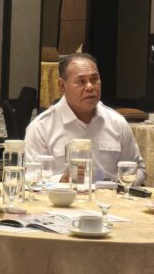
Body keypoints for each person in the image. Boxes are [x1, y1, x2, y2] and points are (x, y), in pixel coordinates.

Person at [24, 53, 146, 184]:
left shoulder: (117, 122)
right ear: (62, 86)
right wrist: (61, 180)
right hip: (61, 196)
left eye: (94, 79)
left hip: (108, 195)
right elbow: (30, 177)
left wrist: (121, 185)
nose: (90, 87)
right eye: (81, 81)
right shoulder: (41, 127)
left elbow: (137, 169)